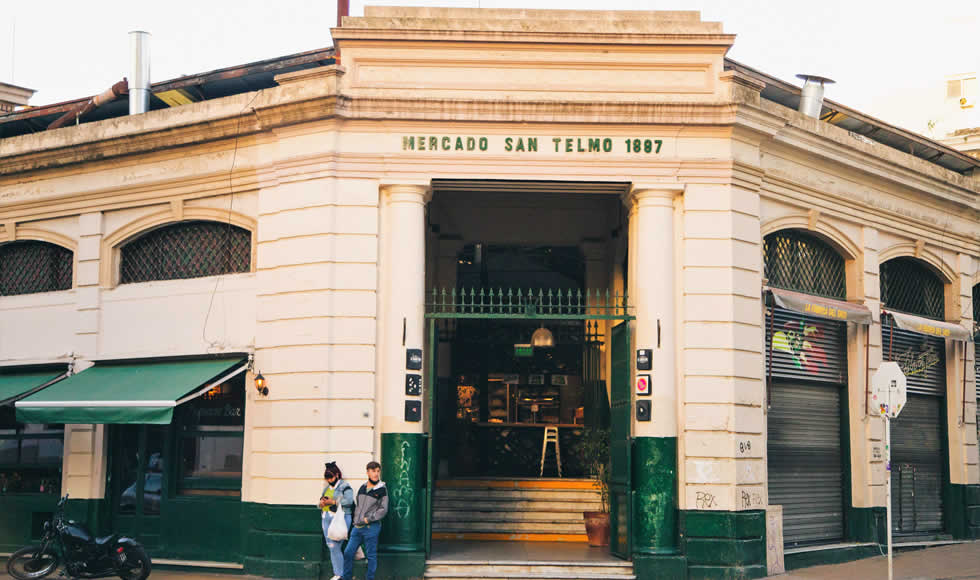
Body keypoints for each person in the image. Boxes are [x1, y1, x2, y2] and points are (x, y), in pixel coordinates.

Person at [342, 461, 388, 580]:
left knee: (371, 556)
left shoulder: (382, 489)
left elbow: (383, 509)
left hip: (371, 527)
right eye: (373, 471)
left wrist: (368, 519)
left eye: (378, 471)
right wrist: (355, 520)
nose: (376, 474)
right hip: (357, 528)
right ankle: (346, 577)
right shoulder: (362, 487)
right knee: (348, 553)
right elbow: (358, 506)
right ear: (367, 472)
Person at [319, 461, 354, 580]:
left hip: (340, 518)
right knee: (331, 546)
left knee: (335, 546)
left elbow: (349, 501)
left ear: (337, 475)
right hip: (326, 518)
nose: (329, 480)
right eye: (327, 478)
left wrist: (333, 501)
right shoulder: (326, 488)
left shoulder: (345, 486)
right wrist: (321, 503)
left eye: (331, 477)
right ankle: (338, 573)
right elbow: (319, 504)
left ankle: (340, 574)